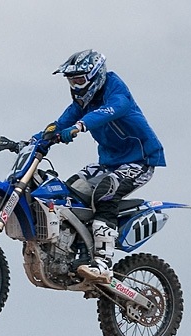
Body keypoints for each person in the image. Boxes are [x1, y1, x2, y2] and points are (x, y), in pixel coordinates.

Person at [38, 50, 165, 283]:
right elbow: (60, 124)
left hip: (140, 160)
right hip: (108, 163)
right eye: (71, 81)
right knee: (68, 192)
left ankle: (103, 262)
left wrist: (79, 126)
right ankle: (75, 249)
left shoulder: (116, 91)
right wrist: (33, 141)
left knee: (106, 191)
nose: (75, 86)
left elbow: (108, 111)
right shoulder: (83, 103)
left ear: (95, 76)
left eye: (79, 80)